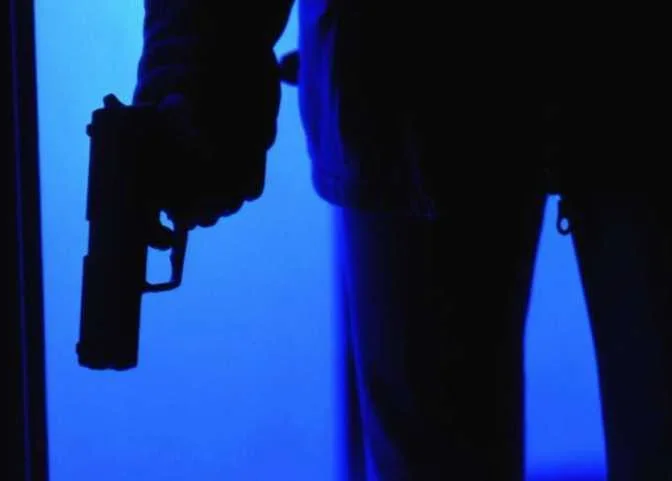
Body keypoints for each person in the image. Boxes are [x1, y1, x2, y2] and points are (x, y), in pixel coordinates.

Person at [132, 1, 671, 479]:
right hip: (414, 82)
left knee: (432, 446)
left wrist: (192, 69)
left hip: (403, 78)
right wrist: (193, 70)